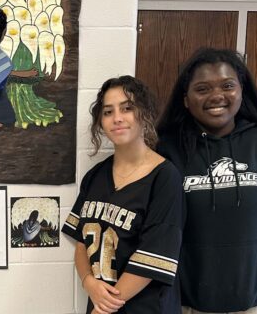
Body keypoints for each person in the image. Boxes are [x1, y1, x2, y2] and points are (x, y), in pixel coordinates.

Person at [157, 48, 257, 314]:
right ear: (186, 100)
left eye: (227, 85)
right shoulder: (167, 150)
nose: (217, 96)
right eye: (203, 89)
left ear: (241, 91)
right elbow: (161, 224)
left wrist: (252, 254)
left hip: (256, 299)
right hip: (190, 300)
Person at [62, 76, 184, 313]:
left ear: (144, 114)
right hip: (100, 303)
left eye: (127, 108)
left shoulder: (165, 177)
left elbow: (153, 257)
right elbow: (81, 242)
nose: (117, 118)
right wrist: (88, 282)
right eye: (108, 112)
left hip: (145, 307)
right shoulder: (95, 176)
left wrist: (103, 309)